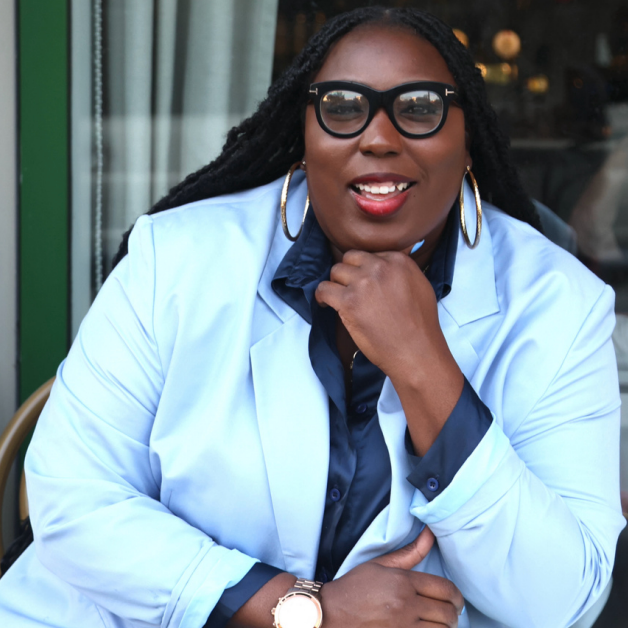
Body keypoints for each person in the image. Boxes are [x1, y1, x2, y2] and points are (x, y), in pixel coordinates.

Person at [0, 7, 624, 628]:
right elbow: (73, 497)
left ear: (468, 142)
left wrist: (425, 367)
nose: (379, 138)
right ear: (305, 134)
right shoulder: (176, 258)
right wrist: (303, 608)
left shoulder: (561, 305)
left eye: (420, 108)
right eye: (344, 107)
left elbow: (561, 601)